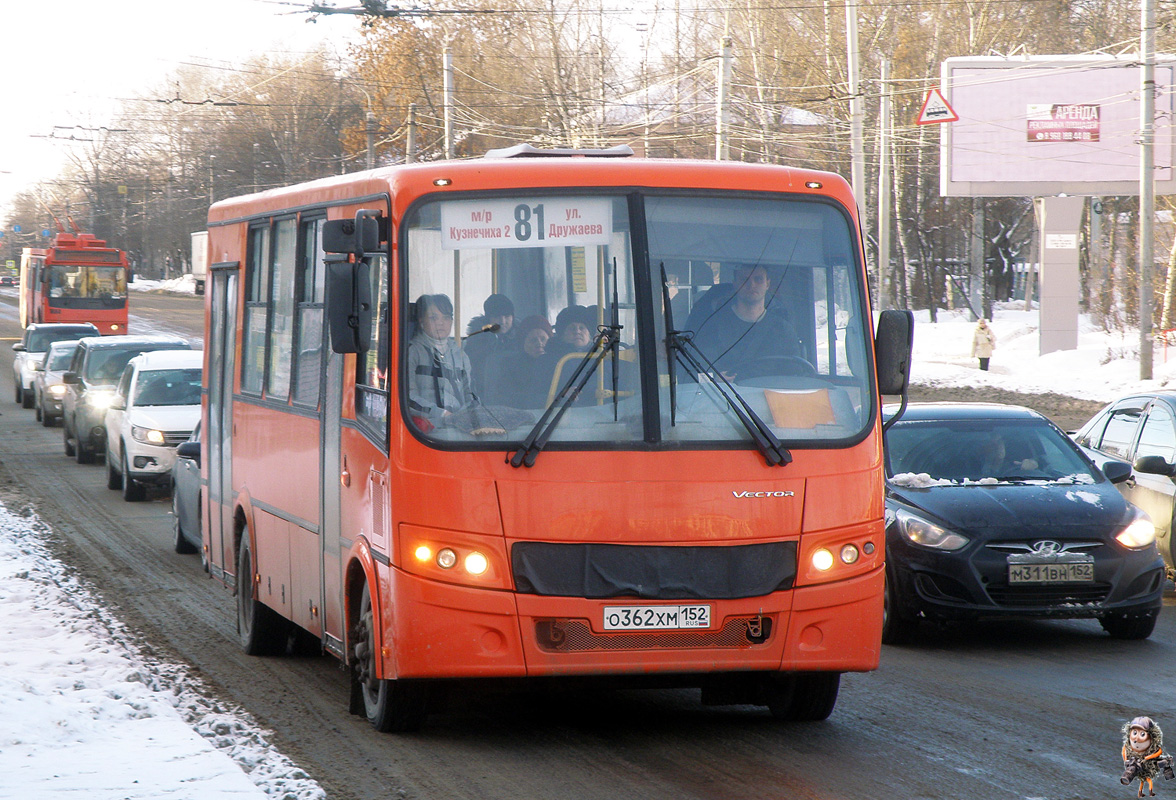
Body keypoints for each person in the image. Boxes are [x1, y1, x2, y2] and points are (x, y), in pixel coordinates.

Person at [683, 263, 802, 380]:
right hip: (724, 396)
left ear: (768, 284)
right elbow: (696, 371)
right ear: (735, 283)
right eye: (745, 279)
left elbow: (795, 374)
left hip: (772, 397)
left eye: (758, 279)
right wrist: (715, 378)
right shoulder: (713, 326)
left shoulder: (783, 329)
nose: (751, 285)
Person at [406, 294, 475, 426]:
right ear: (421, 322)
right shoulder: (412, 351)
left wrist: (464, 415)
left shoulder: (461, 356)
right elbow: (407, 397)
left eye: (446, 317)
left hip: (459, 425)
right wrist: (440, 413)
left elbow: (469, 394)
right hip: (425, 428)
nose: (441, 323)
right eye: (433, 318)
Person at [485, 315, 554, 408]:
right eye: (533, 340)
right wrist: (554, 398)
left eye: (543, 339)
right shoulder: (509, 366)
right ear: (523, 344)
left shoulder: (560, 363)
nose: (539, 344)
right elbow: (509, 399)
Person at [464, 293, 517, 395]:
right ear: (488, 319)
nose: (502, 321)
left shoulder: (523, 339)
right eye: (497, 316)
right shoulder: (477, 343)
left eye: (507, 316)